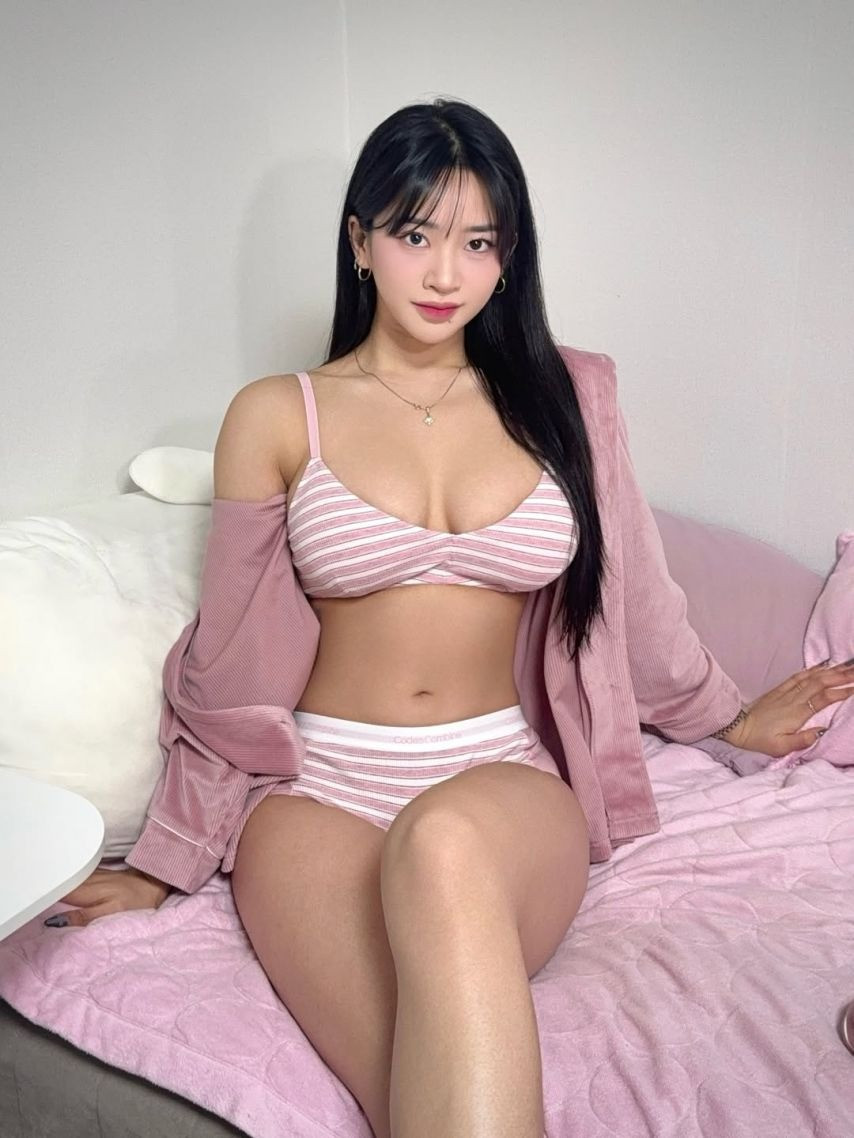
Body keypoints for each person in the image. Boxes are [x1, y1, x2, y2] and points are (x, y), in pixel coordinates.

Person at [50, 98, 854, 1138]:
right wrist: (166, 860)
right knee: (414, 1092)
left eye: (478, 242)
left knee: (442, 844)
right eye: (415, 234)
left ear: (508, 257)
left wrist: (726, 719)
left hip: (502, 787)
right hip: (316, 799)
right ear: (360, 242)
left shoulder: (568, 399)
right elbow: (230, 663)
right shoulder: (277, 414)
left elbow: (634, 602)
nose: (444, 274)